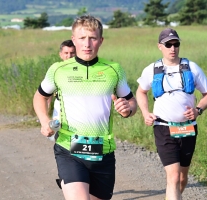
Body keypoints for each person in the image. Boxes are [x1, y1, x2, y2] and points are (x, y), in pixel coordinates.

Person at [33, 15, 137, 200]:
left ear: (101, 40)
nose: (87, 44)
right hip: (69, 150)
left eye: (93, 38)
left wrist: (127, 109)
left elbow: (132, 102)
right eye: (82, 38)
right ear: (74, 40)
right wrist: (44, 121)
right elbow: (40, 96)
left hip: (103, 152)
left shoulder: (114, 69)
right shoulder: (58, 69)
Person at [136, 28, 207, 200]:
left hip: (188, 129)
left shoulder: (191, 67)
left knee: (181, 178)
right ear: (160, 46)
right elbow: (141, 92)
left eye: (176, 44)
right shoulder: (152, 69)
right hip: (163, 128)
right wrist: (145, 113)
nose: (172, 48)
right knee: (172, 177)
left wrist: (198, 110)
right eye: (168, 44)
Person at [47, 40, 76, 124]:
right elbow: (47, 93)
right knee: (57, 134)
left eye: (72, 53)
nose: (69, 56)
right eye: (66, 53)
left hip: (78, 107)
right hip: (60, 106)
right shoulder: (56, 70)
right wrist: (46, 113)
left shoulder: (85, 69)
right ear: (61, 55)